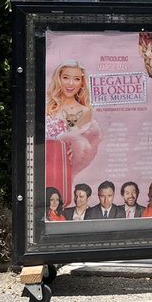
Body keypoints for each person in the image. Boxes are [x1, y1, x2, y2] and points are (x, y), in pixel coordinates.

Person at [45, 60, 102, 204]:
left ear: (81, 83)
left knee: (58, 202)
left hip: (59, 169)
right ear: (59, 78)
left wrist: (73, 150)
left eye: (76, 79)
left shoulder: (83, 112)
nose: (70, 84)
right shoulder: (47, 106)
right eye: (66, 77)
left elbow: (82, 150)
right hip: (40, 163)